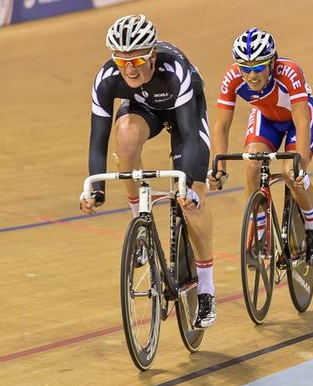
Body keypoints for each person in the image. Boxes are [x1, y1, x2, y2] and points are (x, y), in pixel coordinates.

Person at [79, 14, 216, 328]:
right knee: (124, 138)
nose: (128, 67)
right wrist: (95, 191)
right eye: (121, 59)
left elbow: (189, 133)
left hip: (186, 113)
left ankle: (207, 288)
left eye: (137, 59)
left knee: (193, 200)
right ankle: (139, 226)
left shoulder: (176, 72)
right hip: (145, 109)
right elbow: (98, 141)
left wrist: (189, 186)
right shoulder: (106, 78)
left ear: (152, 56)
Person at [208, 27, 313, 266]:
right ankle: (260, 233)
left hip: (296, 119)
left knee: (290, 173)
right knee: (252, 163)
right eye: (245, 68)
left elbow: (302, 121)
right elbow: (221, 125)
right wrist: (218, 167)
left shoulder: (289, 72)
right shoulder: (232, 78)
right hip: (266, 119)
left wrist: (299, 167)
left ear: (272, 62)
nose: (252, 75)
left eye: (259, 67)